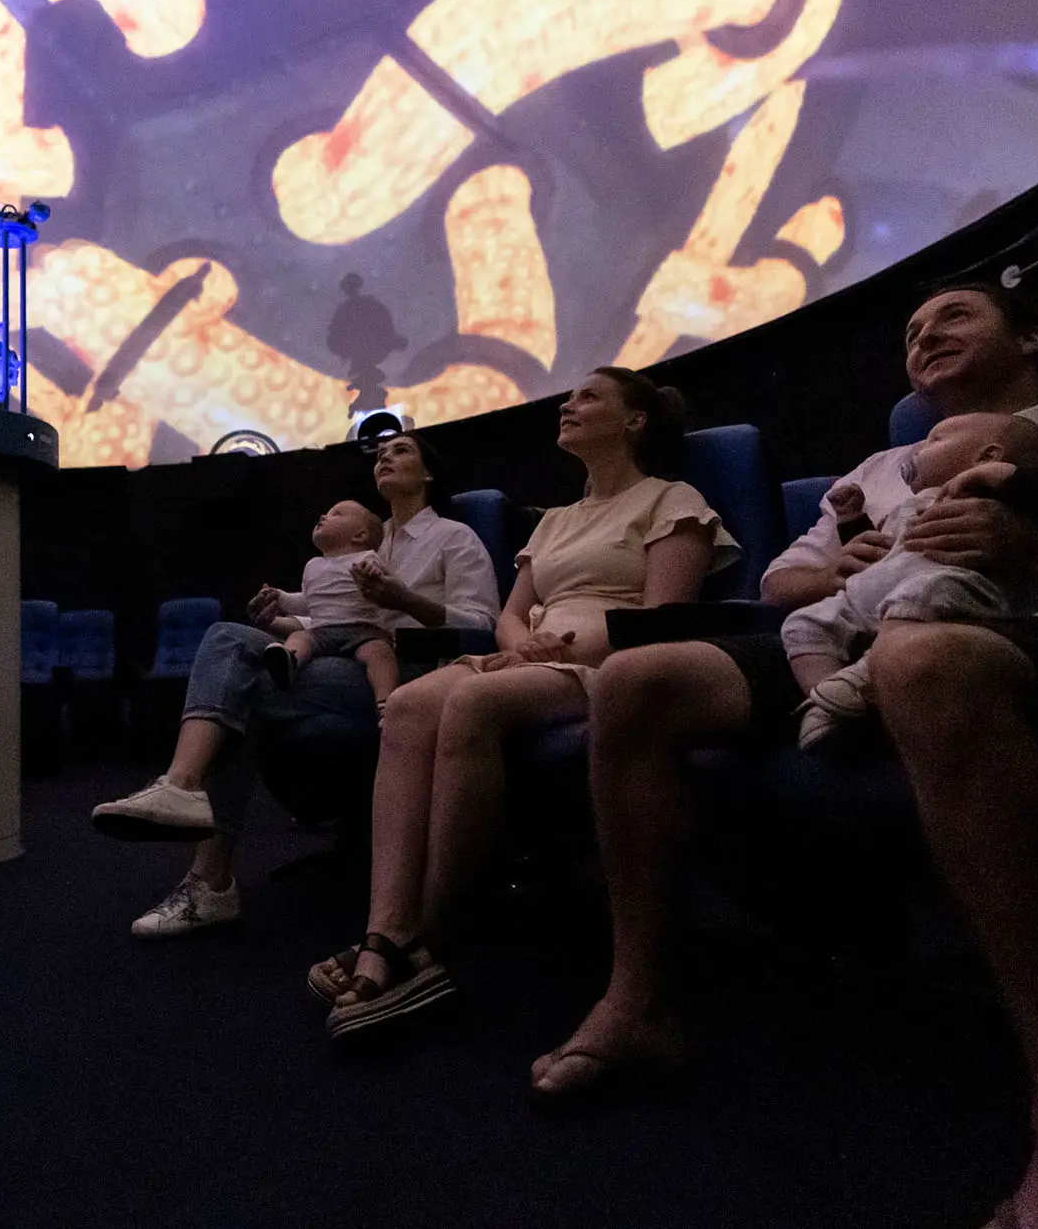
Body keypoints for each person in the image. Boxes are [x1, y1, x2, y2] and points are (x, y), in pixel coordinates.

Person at [544, 285, 1038, 1229]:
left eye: (953, 316)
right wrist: (840, 566)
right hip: (863, 635)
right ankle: (641, 1002)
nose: (926, 335)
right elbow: (781, 579)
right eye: (912, 332)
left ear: (1032, 334)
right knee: (636, 682)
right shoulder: (885, 464)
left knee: (922, 661)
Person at [310, 369, 739, 1040]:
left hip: (609, 665)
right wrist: (523, 645)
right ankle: (384, 927)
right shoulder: (555, 521)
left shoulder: (672, 500)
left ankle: (432, 938)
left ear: (635, 422)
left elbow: (661, 621)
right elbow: (510, 615)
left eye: (589, 396)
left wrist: (554, 649)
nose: (568, 405)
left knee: (475, 702)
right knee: (416, 703)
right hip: (530, 657)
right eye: (570, 397)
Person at [90, 432, 501, 938]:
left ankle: (202, 862)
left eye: (402, 452)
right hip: (343, 666)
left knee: (240, 679)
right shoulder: (364, 544)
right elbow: (324, 620)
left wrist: (405, 598)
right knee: (231, 640)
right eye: (381, 453)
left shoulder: (454, 538)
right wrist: (280, 616)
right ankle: (185, 801)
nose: (385, 458)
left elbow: (482, 625)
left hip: (414, 678)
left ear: (429, 474)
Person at [783, 411, 1038, 750]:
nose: (917, 449)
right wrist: (851, 520)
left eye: (934, 440)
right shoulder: (911, 505)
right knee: (801, 623)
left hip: (949, 590)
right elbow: (884, 551)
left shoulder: (995, 496)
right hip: (872, 594)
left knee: (923, 593)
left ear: (988, 456)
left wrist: (1007, 479)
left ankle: (863, 677)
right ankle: (827, 703)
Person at [259, 501, 399, 708]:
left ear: (359, 535)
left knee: (380, 653)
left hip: (363, 631)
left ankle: (386, 703)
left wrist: (374, 575)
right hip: (321, 632)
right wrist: (279, 597)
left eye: (337, 514)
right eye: (326, 512)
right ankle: (288, 662)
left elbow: (383, 587)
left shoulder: (367, 558)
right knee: (299, 637)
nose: (323, 516)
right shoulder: (313, 565)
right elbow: (308, 602)